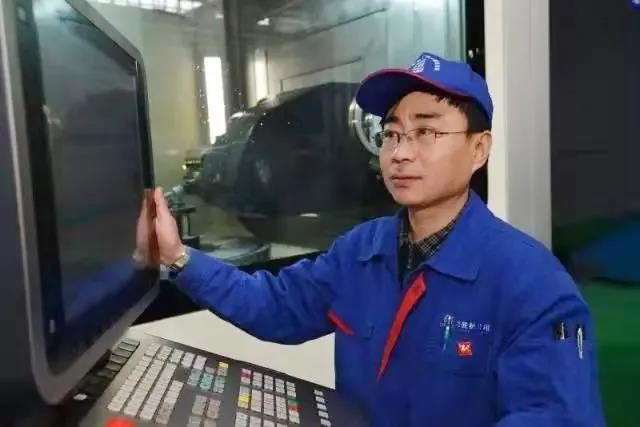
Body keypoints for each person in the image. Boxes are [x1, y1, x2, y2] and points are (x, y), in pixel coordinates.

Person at [149, 52, 605, 426]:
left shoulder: (534, 286)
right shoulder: (359, 252)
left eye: (426, 131)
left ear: (479, 149)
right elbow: (274, 307)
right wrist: (178, 257)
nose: (401, 152)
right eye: (391, 134)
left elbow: (555, 417)